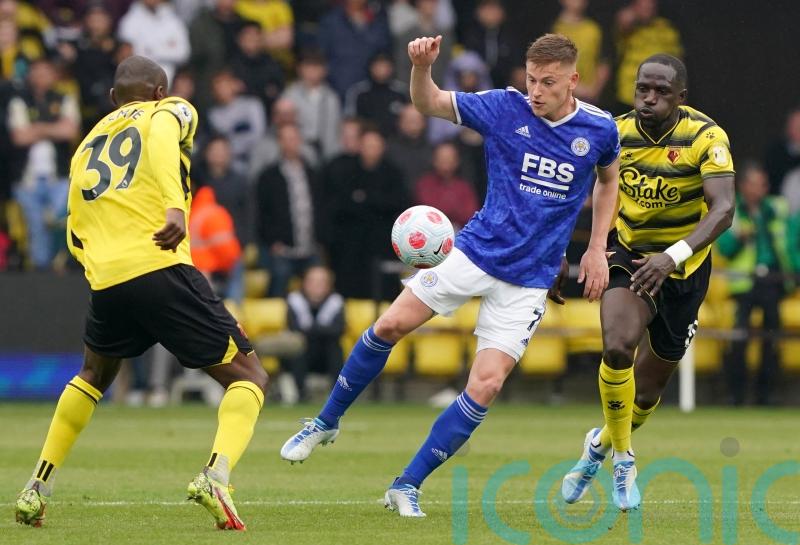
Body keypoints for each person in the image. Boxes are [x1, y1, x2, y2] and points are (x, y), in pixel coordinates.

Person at [280, 33, 621, 517]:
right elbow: (431, 102)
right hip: (476, 253)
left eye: (548, 83)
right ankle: (324, 421)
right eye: (531, 80)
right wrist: (421, 68)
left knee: (485, 385)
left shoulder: (600, 129)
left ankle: (406, 485)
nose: (536, 91)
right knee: (390, 324)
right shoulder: (506, 107)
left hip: (530, 279)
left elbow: (609, 180)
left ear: (573, 80)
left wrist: (596, 248)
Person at [14, 56, 267, 531]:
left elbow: (74, 227)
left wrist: (96, 269)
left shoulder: (85, 144)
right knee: (249, 375)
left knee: (93, 374)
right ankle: (216, 476)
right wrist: (175, 207)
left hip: (108, 278)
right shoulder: (170, 110)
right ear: (159, 92)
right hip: (160, 263)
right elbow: (162, 138)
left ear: (112, 98)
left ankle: (36, 486)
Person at [561, 54, 735, 511]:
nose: (649, 99)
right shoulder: (614, 134)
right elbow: (574, 194)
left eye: (660, 92)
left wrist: (673, 256)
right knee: (617, 345)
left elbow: (723, 210)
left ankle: (598, 445)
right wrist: (555, 255)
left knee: (649, 388)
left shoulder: (706, 137)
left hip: (685, 271)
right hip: (629, 256)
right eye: (643, 89)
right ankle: (623, 461)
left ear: (681, 98)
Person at [717, 162, 793, 406]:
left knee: (772, 338)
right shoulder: (732, 210)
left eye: (762, 185)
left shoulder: (776, 209)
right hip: (744, 284)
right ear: (743, 186)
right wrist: (740, 238)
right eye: (753, 184)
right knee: (740, 338)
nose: (758, 190)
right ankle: (735, 394)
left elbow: (788, 242)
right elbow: (724, 249)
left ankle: (766, 395)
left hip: (772, 280)